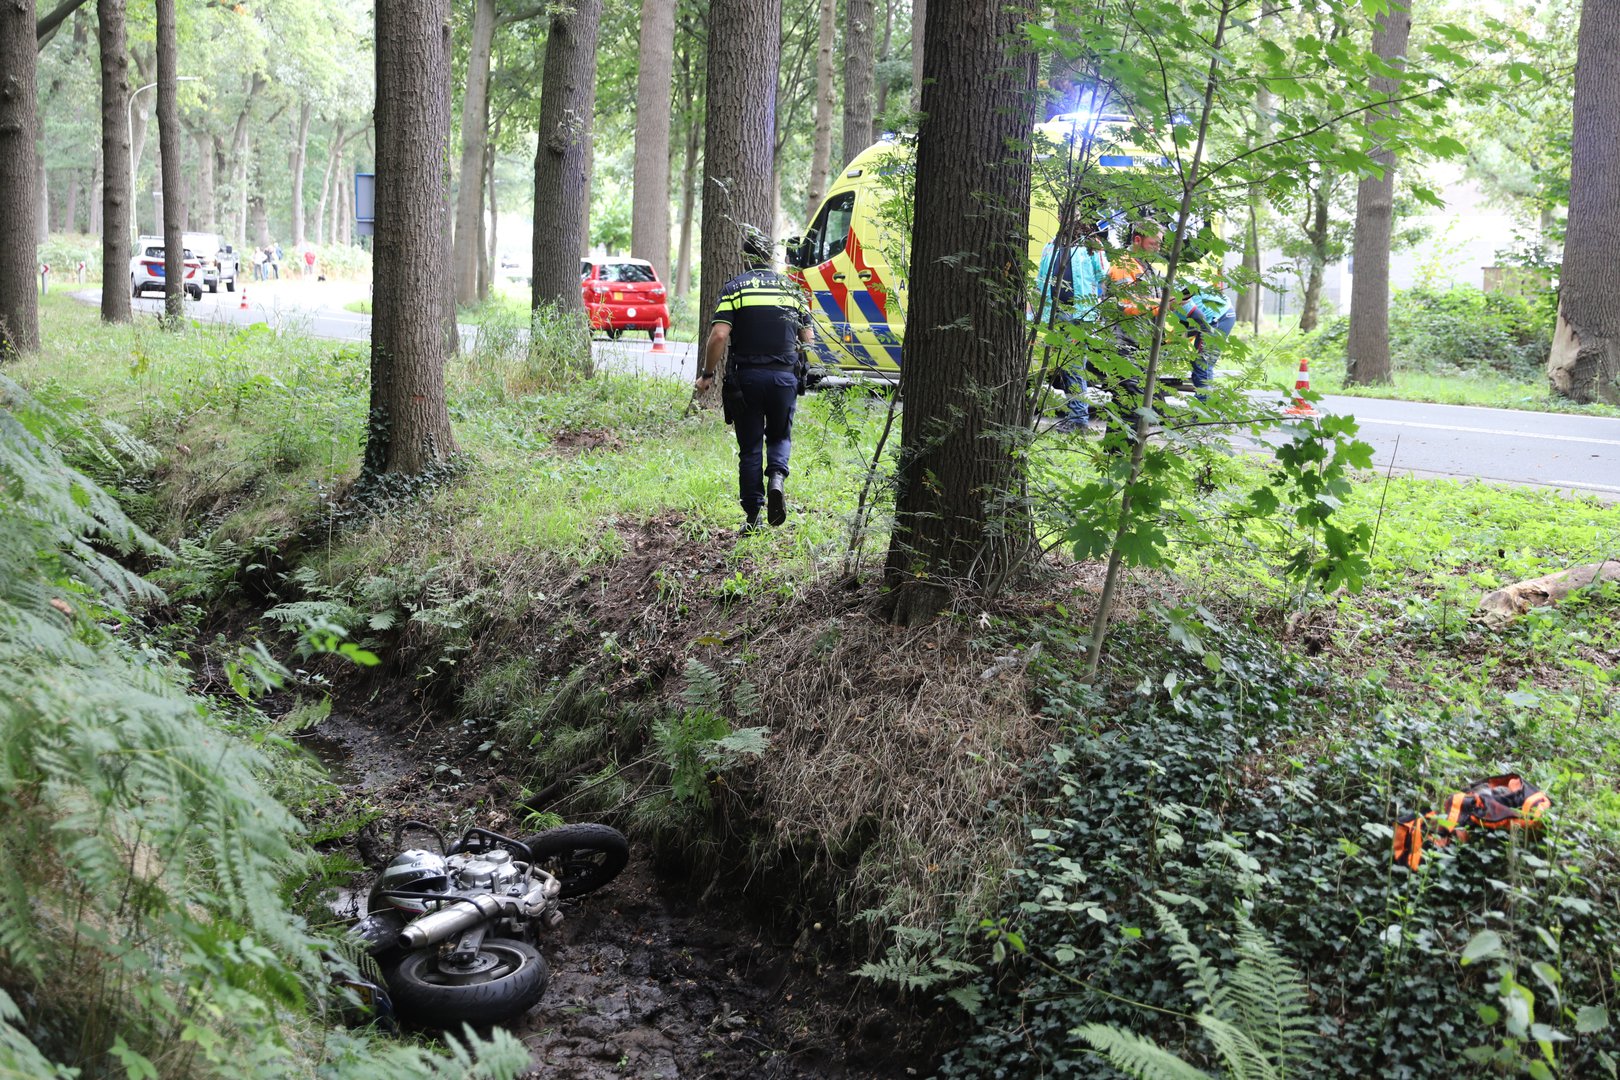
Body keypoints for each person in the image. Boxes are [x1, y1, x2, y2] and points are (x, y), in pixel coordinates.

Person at [696, 225, 813, 531]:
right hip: (784, 378)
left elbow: (720, 334)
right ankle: (776, 476)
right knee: (780, 436)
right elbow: (808, 339)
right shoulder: (792, 290)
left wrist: (707, 375)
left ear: (746, 258)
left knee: (750, 448)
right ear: (770, 256)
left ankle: (753, 516)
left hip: (746, 380)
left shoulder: (735, 288)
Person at [1032, 216, 1109, 432]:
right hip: (1054, 315)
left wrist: (1099, 310)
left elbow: (1104, 277)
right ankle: (1075, 415)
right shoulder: (1051, 246)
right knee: (1064, 366)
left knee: (1074, 365)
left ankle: (1078, 419)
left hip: (1080, 315)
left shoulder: (1092, 245)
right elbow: (1040, 280)